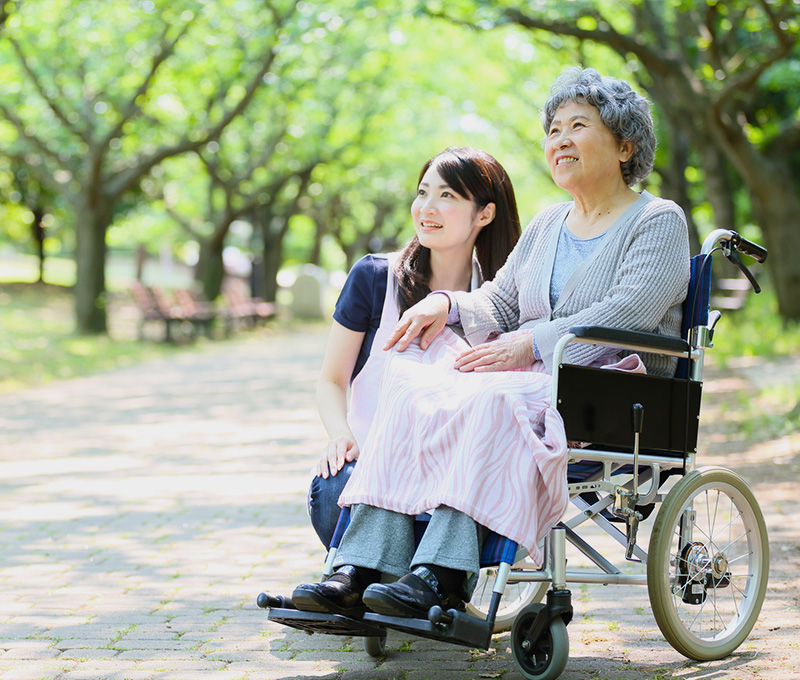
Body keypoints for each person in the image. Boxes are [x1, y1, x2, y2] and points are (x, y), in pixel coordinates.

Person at [292, 68, 690, 621]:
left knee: (488, 400)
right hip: (533, 383)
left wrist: (531, 345)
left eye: (579, 126)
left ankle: (444, 575)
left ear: (625, 146)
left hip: (609, 388)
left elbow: (629, 311)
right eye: (553, 129)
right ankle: (360, 566)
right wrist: (447, 305)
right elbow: (499, 302)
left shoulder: (657, 220)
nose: (560, 140)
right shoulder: (549, 224)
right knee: (411, 386)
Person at [307, 147, 521, 548]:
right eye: (423, 192)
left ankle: (401, 586)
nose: (427, 207)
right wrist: (340, 435)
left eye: (447, 196)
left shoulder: (499, 301)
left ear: (485, 214)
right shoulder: (375, 278)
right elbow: (331, 380)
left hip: (452, 483)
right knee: (336, 493)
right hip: (371, 470)